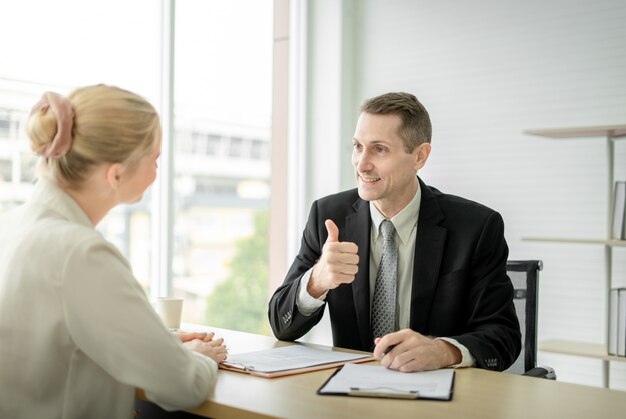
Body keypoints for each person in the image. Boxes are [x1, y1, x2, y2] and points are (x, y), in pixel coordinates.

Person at [0, 85, 227, 419]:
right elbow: (183, 385)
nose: (156, 172)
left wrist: (155, 344)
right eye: (155, 158)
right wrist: (200, 356)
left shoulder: (12, 224)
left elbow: (59, 340)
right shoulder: (80, 253)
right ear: (116, 173)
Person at [268, 92, 521, 372]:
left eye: (379, 149)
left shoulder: (475, 227)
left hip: (437, 400)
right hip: (348, 397)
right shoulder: (328, 216)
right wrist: (316, 280)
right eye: (357, 146)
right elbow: (281, 325)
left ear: (420, 156)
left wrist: (444, 351)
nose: (362, 164)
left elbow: (503, 337)